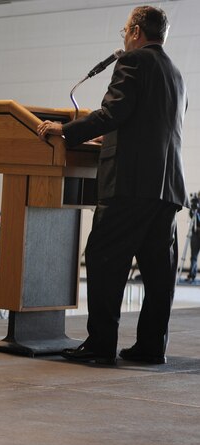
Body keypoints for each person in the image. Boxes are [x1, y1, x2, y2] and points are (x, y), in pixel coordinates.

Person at [38, 5, 186, 366]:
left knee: (104, 260)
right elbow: (149, 124)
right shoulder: (176, 73)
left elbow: (114, 112)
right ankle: (151, 347)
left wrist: (66, 130)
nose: (123, 37)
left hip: (130, 184)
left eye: (124, 30)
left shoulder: (133, 62)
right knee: (158, 272)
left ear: (136, 30)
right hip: (165, 187)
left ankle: (100, 344)